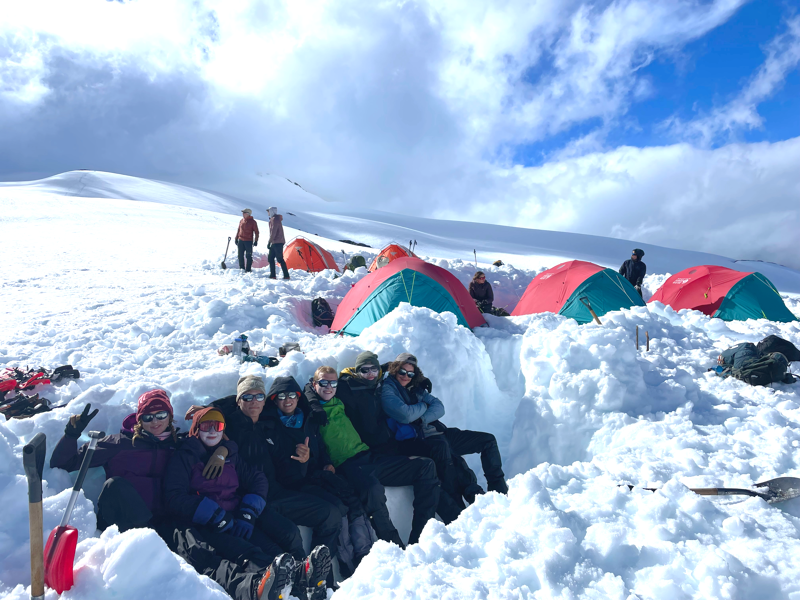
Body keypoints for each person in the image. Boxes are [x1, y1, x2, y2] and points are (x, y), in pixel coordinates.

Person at [165, 407, 332, 600]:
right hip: (206, 525)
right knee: (248, 551)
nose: (212, 431)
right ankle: (285, 585)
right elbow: (174, 497)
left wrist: (248, 513)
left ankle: (303, 578)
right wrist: (214, 515)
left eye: (217, 426)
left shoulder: (230, 455)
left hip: (236, 517)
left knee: (271, 548)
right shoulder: (185, 457)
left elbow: (257, 479)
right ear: (196, 429)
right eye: (206, 426)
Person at [201, 375, 343, 568]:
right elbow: (212, 422)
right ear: (238, 400)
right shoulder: (229, 427)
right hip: (249, 501)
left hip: (276, 493)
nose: (254, 402)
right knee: (290, 534)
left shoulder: (268, 426)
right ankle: (299, 584)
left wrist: (303, 460)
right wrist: (208, 411)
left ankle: (320, 573)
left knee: (331, 515)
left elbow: (287, 474)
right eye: (247, 397)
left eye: (259, 397)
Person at [305, 365, 441, 546]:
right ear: (314, 384)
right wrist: (313, 403)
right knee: (372, 491)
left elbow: (365, 368)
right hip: (347, 465)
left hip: (368, 456)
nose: (329, 387)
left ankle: (421, 538)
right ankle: (395, 547)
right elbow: (295, 392)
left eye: (333, 382)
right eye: (323, 383)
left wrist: (416, 377)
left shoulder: (339, 398)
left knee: (426, 466)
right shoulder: (310, 410)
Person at [264, 376, 374, 575]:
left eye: (291, 395)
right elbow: (285, 474)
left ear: (298, 398)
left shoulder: (307, 419)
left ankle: (363, 555)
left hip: (317, 476)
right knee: (337, 509)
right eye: (281, 396)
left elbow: (320, 447)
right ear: (274, 399)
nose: (287, 400)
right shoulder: (272, 427)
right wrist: (303, 463)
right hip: (296, 486)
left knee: (352, 500)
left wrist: (327, 463)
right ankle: (337, 566)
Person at [380, 353, 508, 503]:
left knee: (487, 440)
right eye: (402, 371)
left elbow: (439, 407)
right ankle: (469, 501)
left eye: (410, 373)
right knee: (449, 457)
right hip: (420, 439)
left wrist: (422, 418)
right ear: (395, 369)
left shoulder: (416, 387)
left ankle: (499, 493)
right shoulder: (388, 390)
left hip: (438, 431)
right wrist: (424, 405)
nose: (405, 376)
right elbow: (405, 416)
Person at [267, 206, 290, 280]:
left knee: (279, 259)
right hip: (275, 241)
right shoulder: (273, 219)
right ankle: (272, 275)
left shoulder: (275, 219)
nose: (268, 213)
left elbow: (274, 231)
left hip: (278, 242)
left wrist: (269, 241)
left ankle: (286, 275)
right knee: (271, 258)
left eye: (269, 211)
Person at [235, 208, 260, 273]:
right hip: (241, 240)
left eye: (244, 213)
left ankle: (248, 269)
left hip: (248, 241)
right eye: (243, 212)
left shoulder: (253, 222)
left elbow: (256, 232)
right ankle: (242, 268)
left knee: (248, 255)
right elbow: (238, 230)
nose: (243, 214)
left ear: (248, 214)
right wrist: (236, 238)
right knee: (240, 255)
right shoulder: (241, 220)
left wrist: (256, 240)